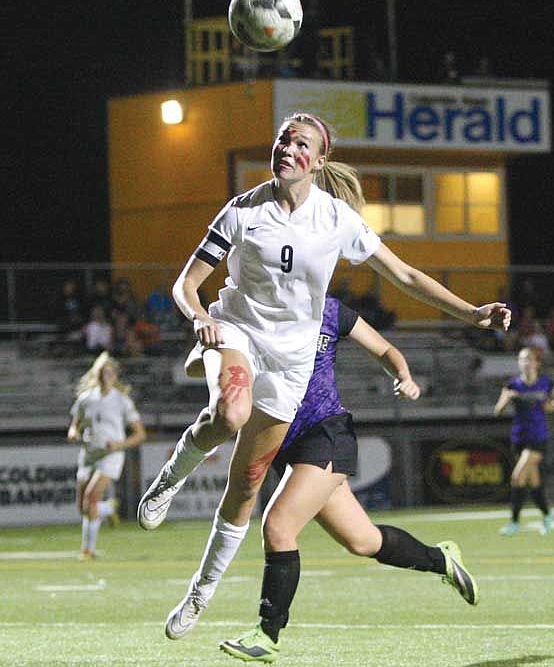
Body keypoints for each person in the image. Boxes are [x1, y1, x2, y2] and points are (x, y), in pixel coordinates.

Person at [137, 112, 510, 627]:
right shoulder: (242, 211)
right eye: (283, 139)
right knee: (230, 410)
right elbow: (186, 284)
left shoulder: (337, 220)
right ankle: (168, 482)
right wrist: (200, 318)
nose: (288, 149)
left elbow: (403, 273)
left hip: (292, 366)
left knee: (247, 482)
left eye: (302, 143)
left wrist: (471, 312)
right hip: (238, 332)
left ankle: (200, 595)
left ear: (320, 160)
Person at [163, 296, 478, 659]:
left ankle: (267, 634)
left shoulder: (331, 310)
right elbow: (195, 365)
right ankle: (442, 559)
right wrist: (216, 353)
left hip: (325, 431)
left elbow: (384, 347)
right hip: (280, 438)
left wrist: (403, 376)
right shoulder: (253, 307)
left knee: (277, 526)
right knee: (364, 541)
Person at [68, 352, 146, 559]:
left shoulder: (122, 400)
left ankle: (88, 550)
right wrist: (74, 433)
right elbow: (74, 425)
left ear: (115, 376)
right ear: (97, 374)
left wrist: (119, 444)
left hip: (111, 455)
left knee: (90, 498)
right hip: (88, 454)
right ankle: (108, 509)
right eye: (103, 373)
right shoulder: (86, 399)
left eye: (111, 373)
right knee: (82, 507)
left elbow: (140, 434)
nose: (107, 377)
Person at [493, 347, 554, 536]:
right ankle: (548, 515)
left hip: (538, 438)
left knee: (517, 477)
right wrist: (506, 399)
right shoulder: (512, 385)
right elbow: (497, 411)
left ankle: (514, 523)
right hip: (519, 438)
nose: (525, 362)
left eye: (528, 359)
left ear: (536, 362)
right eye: (521, 359)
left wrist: (551, 405)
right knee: (534, 483)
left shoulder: (546, 383)